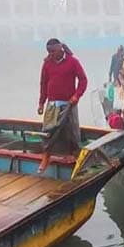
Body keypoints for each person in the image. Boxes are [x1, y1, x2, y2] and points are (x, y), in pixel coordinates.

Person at [37, 38, 88, 172]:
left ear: (60, 49)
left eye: (53, 51)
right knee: (48, 131)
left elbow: (83, 80)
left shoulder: (72, 61)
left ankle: (72, 156)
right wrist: (41, 103)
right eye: (49, 51)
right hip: (52, 104)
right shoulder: (47, 63)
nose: (51, 54)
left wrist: (76, 95)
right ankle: (46, 157)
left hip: (69, 103)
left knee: (71, 131)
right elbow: (43, 83)